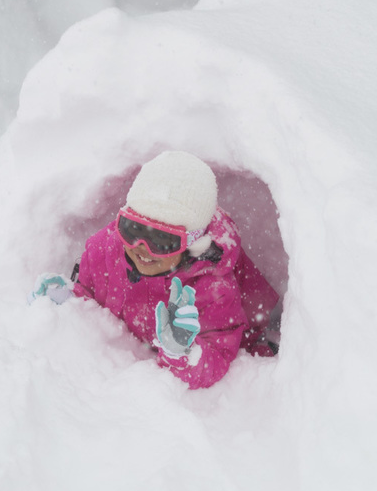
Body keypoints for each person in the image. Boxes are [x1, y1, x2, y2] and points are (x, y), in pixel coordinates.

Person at [31, 150, 280, 389]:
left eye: (162, 241)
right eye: (134, 229)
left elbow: (219, 355)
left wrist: (183, 352)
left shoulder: (213, 288)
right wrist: (72, 301)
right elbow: (90, 291)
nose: (142, 249)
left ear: (191, 244)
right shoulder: (104, 250)